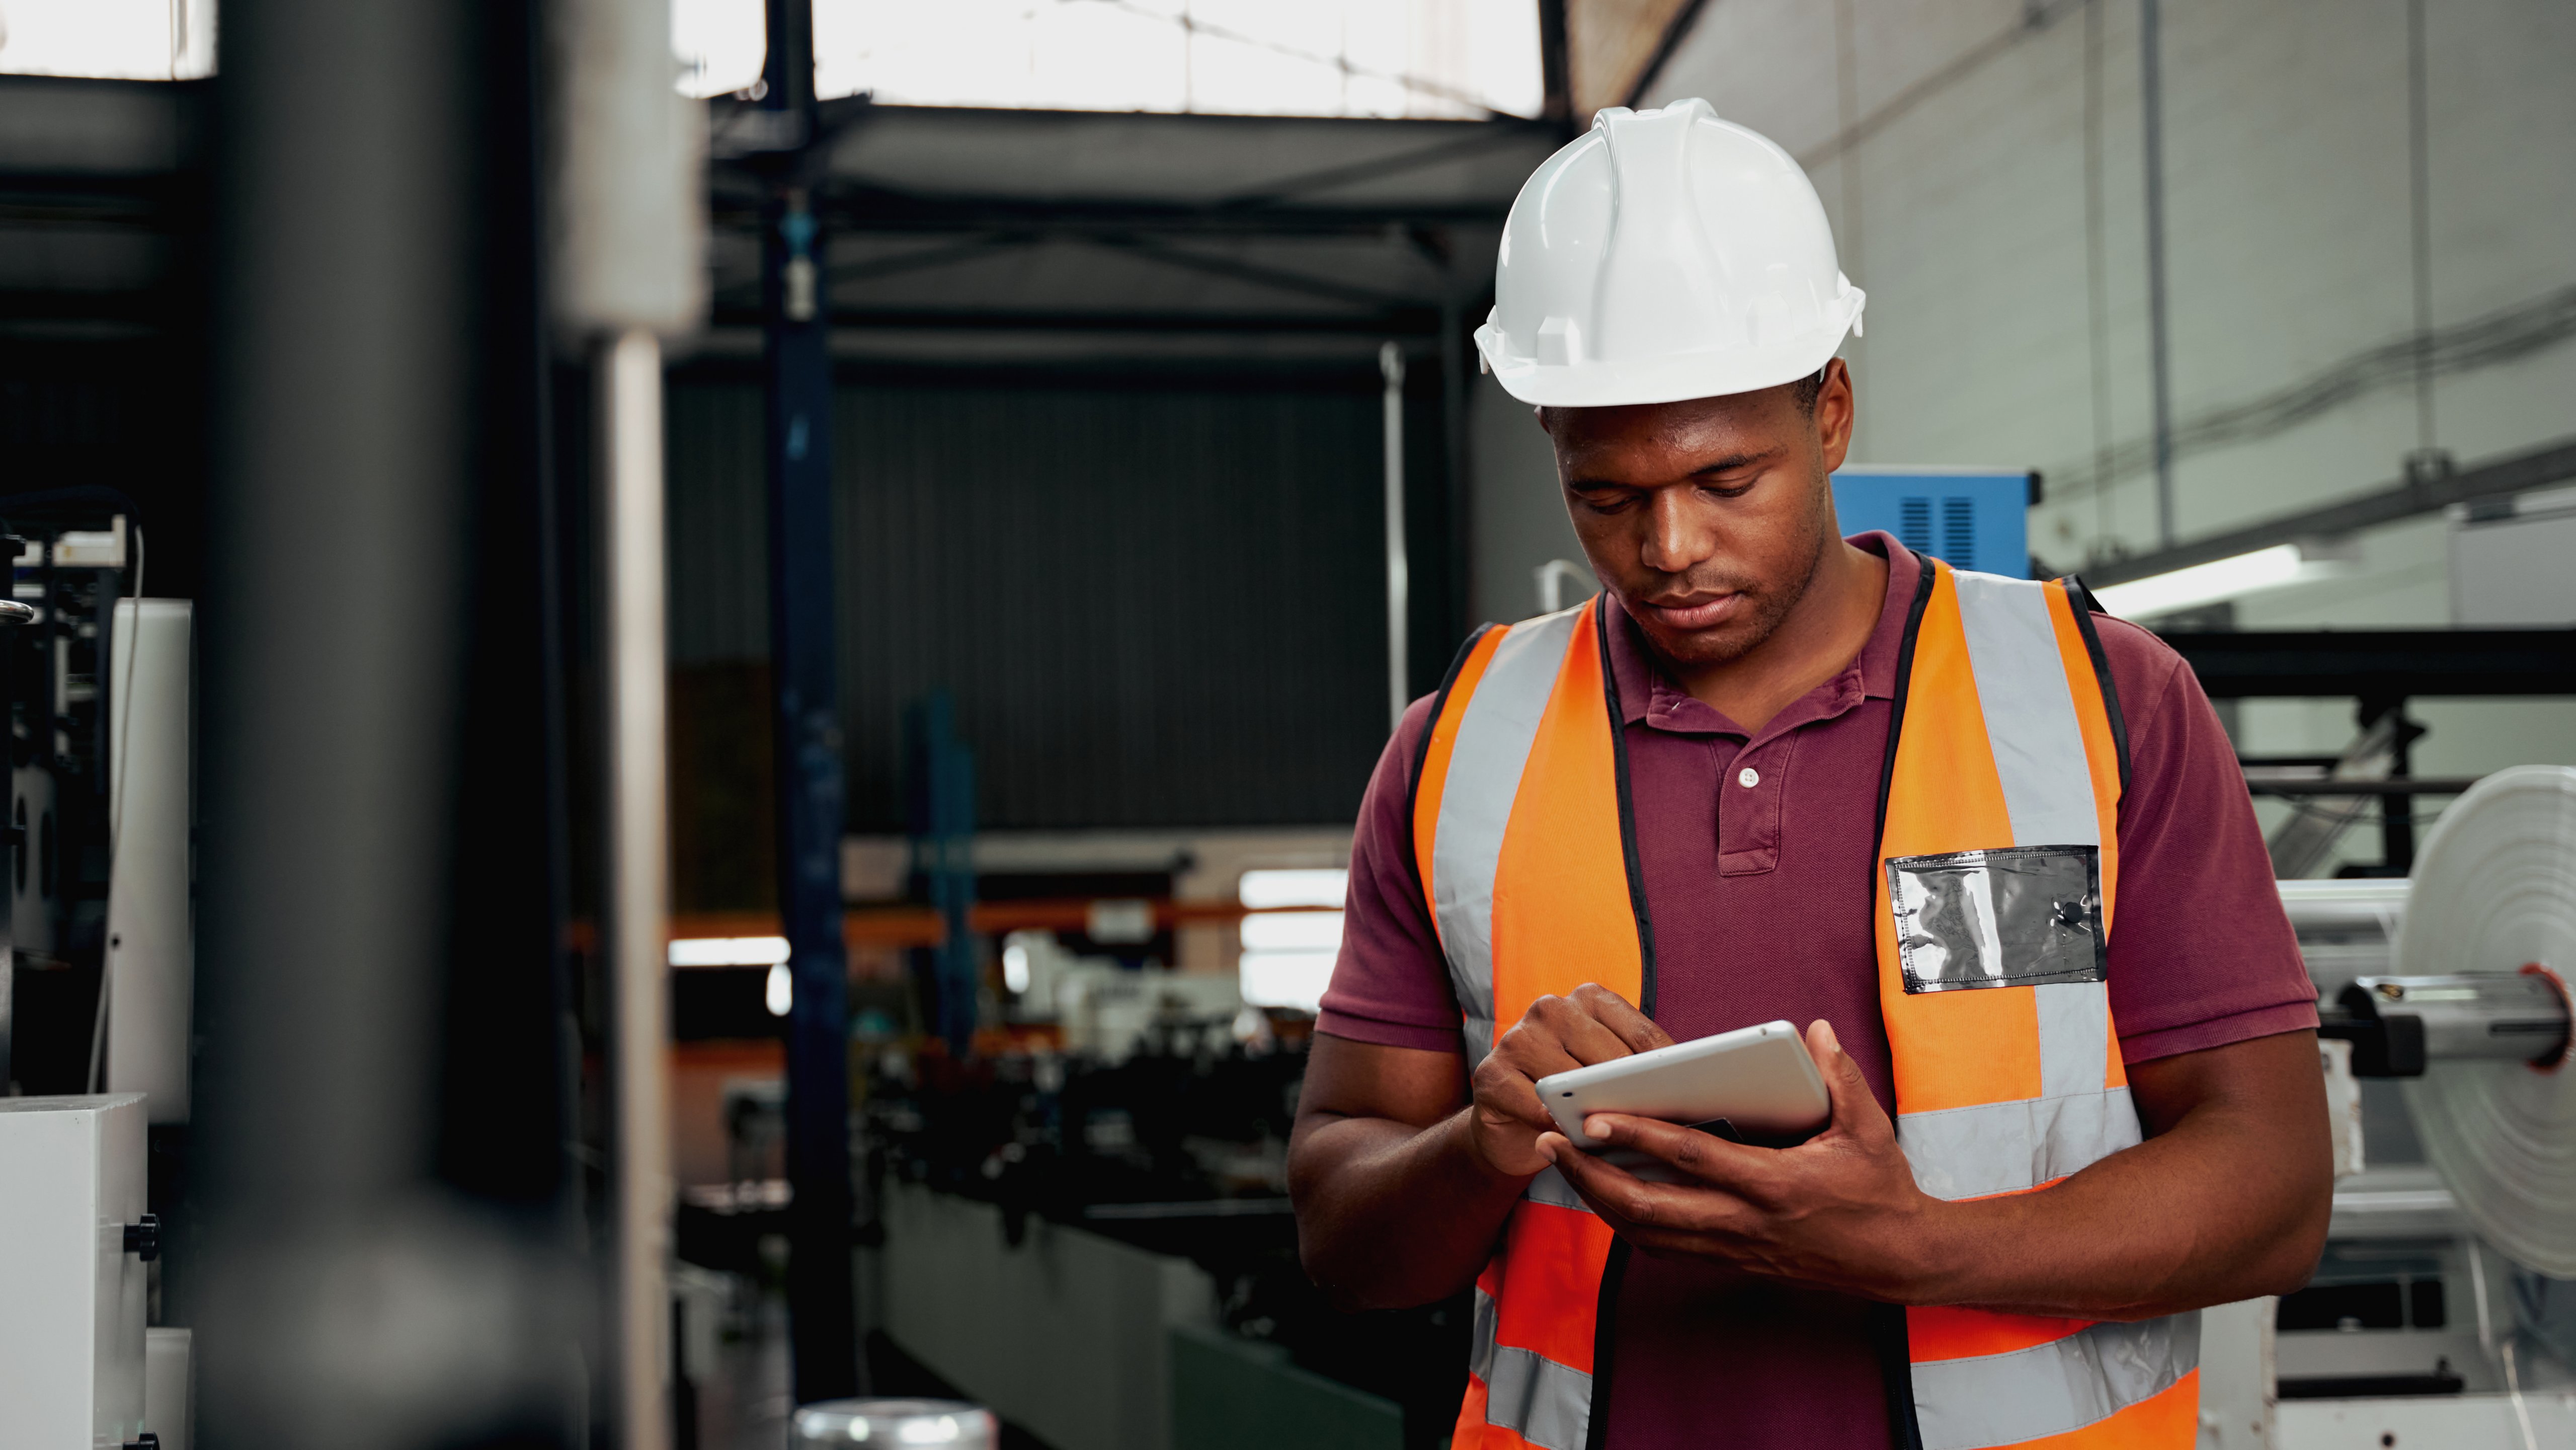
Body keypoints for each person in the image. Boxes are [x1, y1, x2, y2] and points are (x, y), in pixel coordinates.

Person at [1285, 100, 2330, 1450]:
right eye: (1606, 494)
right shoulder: (1457, 749)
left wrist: (1916, 1248)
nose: (1668, 546)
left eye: (1728, 479)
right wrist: (1477, 1147)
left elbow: (2277, 1187)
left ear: (1829, 410)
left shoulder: (2096, 704)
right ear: (1552, 437)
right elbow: (1341, 1230)